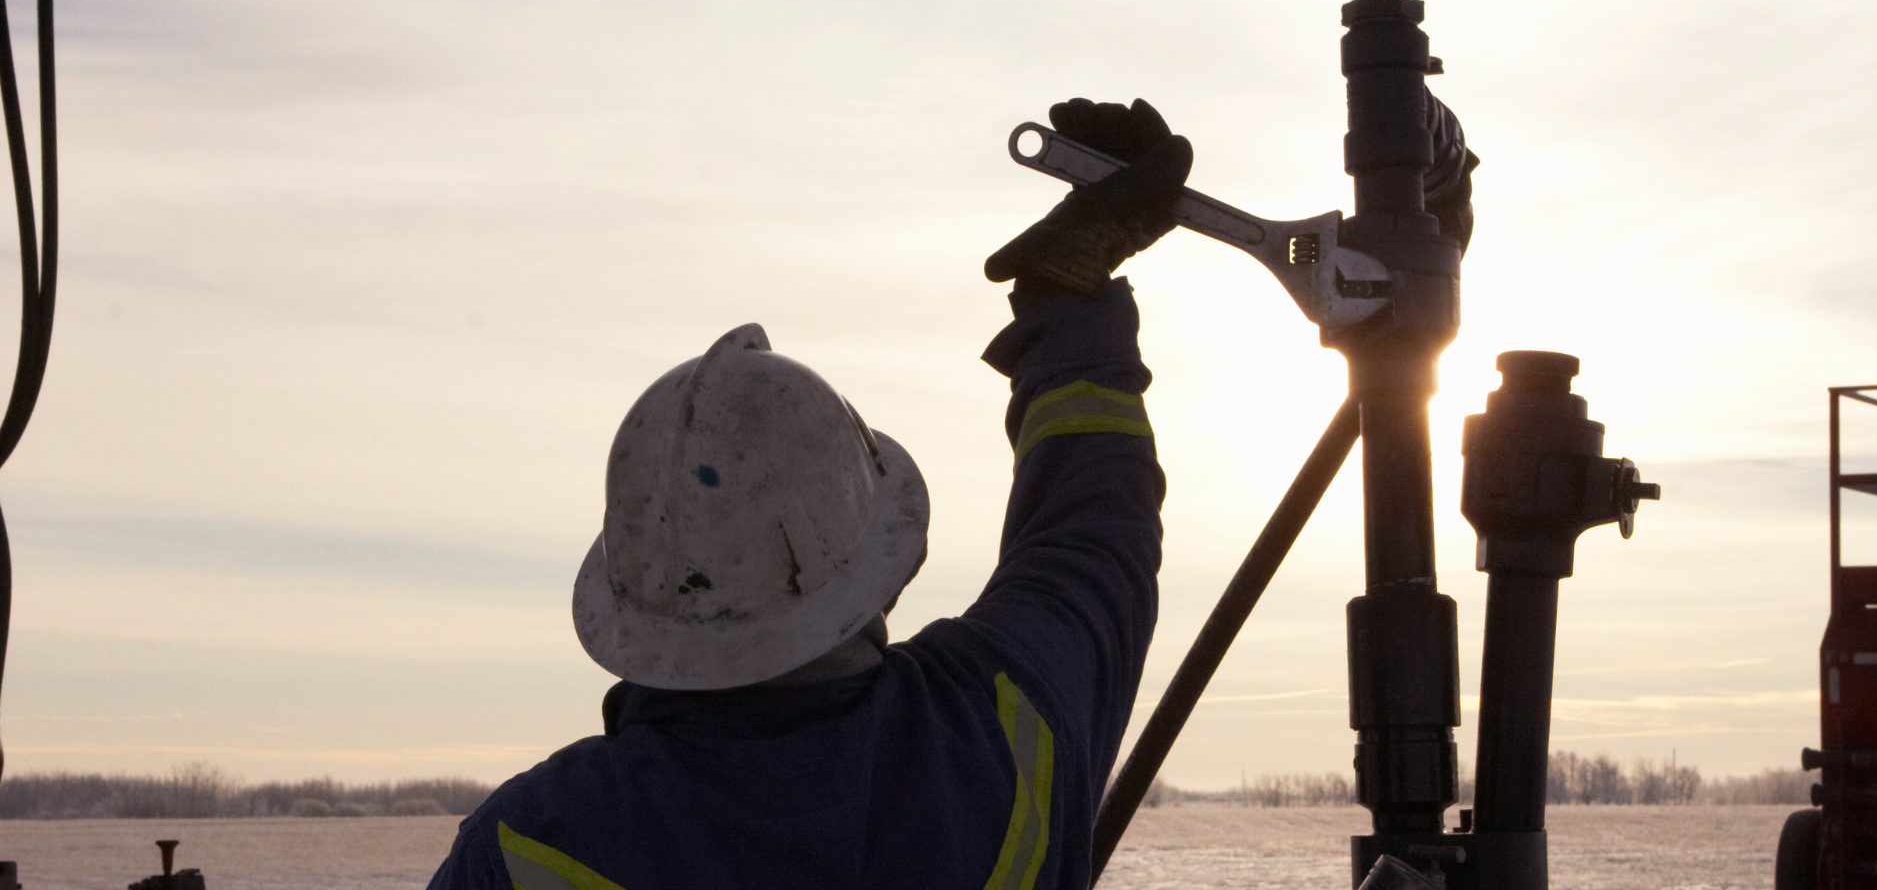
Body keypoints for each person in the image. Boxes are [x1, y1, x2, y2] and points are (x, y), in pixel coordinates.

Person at [426, 97, 1472, 890]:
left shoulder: (526, 851)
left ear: (634, 601)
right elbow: (1092, 528)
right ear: (873, 567)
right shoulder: (996, 737)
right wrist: (1072, 301)